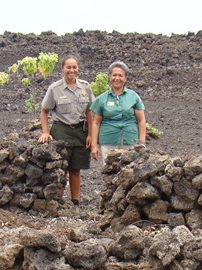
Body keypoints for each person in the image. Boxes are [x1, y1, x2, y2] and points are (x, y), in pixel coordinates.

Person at [38, 54, 95, 206]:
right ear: (62, 69)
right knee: (61, 168)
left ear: (78, 68)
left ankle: (75, 201)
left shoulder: (85, 87)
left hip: (79, 131)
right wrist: (45, 132)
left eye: (74, 67)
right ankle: (59, 200)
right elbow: (44, 111)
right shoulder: (55, 89)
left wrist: (90, 134)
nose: (71, 70)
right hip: (61, 130)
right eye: (68, 67)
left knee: (76, 168)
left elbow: (89, 111)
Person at [89, 61, 147, 163]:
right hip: (108, 141)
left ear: (125, 79)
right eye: (114, 75)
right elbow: (96, 122)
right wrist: (94, 145)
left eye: (120, 75)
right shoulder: (102, 99)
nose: (117, 78)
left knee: (129, 173)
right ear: (110, 77)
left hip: (130, 141)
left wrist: (142, 143)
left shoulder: (134, 97)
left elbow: (141, 121)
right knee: (109, 172)